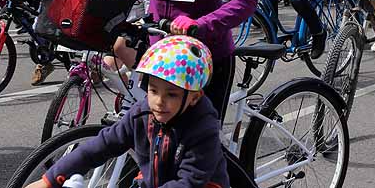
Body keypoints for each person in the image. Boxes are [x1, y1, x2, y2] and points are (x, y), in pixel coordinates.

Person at [28, 35, 229, 188]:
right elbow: (102, 145)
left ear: (194, 97)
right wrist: (50, 179)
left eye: (172, 95)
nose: (159, 102)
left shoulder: (203, 127)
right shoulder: (142, 113)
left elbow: (189, 182)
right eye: (153, 90)